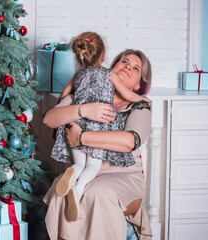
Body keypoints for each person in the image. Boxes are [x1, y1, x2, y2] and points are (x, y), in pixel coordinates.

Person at [43, 49, 153, 240]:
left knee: (97, 192)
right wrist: (84, 110)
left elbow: (128, 141)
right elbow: (49, 119)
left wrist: (82, 138)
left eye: (135, 68)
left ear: (137, 86)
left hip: (123, 177)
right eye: (124, 62)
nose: (127, 67)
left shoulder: (139, 107)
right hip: (87, 171)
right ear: (112, 69)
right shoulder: (85, 94)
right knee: (61, 192)